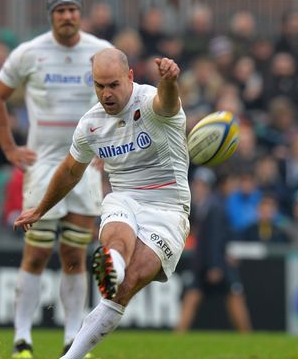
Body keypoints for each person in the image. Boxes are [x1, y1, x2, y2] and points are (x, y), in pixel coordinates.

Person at [14, 48, 191, 359]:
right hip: (124, 197)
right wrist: (41, 209)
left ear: (130, 78)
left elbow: (167, 102)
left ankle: (115, 271)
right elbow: (70, 170)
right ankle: (112, 264)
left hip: (168, 209)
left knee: (128, 284)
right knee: (117, 237)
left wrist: (169, 81)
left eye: (113, 85)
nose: (106, 94)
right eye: (99, 85)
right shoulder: (91, 124)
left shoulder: (151, 102)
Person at [0, 0, 112, 359]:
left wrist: (108, 145)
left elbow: (117, 99)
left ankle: (74, 339)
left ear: (80, 13)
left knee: (75, 253)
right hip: (42, 165)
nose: (68, 15)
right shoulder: (29, 53)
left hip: (85, 165)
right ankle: (22, 340)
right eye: (60, 10)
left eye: (73, 9)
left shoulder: (100, 52)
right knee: (37, 253)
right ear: (51, 15)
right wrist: (9, 148)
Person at [175, 168, 252, 333]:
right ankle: (177, 335)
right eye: (196, 184)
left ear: (209, 187)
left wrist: (215, 265)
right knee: (194, 296)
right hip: (205, 262)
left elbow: (216, 238)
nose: (198, 188)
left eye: (202, 185)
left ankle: (247, 335)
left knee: (234, 296)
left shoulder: (214, 206)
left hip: (216, 262)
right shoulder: (201, 206)